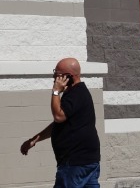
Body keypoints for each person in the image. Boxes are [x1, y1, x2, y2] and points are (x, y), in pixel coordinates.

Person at [20, 58, 101, 187]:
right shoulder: (78, 93)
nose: (54, 77)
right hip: (87, 160)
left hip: (75, 162)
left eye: (57, 74)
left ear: (68, 77)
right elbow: (59, 124)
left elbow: (58, 116)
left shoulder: (76, 94)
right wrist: (35, 139)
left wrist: (56, 91)